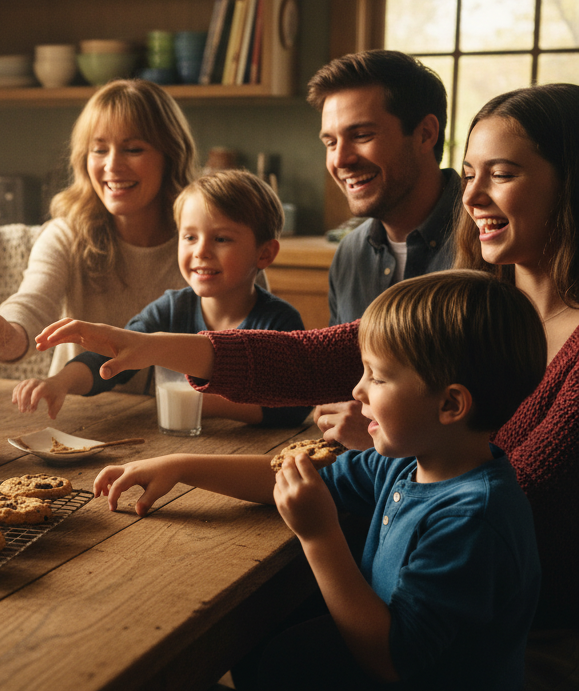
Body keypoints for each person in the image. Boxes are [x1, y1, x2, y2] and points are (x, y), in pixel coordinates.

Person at [38, 85, 579, 665]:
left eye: (501, 174)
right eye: (468, 173)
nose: (470, 196)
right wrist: (150, 350)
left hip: (526, 650)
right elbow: (317, 358)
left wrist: (344, 496)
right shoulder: (476, 302)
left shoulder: (465, 493)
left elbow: (505, 505)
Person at [95, 271, 543, 690]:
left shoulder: (473, 518)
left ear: (450, 406)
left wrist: (319, 534)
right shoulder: (408, 464)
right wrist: (182, 465)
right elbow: (293, 475)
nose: (357, 391)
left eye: (378, 376)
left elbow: (393, 660)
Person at [13, 169, 308, 427]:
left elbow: (297, 405)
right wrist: (59, 383)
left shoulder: (280, 322)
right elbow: (114, 357)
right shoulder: (171, 309)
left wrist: (205, 403)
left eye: (221, 239)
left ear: (265, 253)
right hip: (171, 448)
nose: (200, 251)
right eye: (189, 237)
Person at [0, 79, 194, 382]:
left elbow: (250, 333)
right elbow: (33, 303)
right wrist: (3, 335)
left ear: (171, 157)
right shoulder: (67, 234)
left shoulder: (204, 240)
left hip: (182, 422)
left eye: (132, 149)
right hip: (81, 413)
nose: (112, 165)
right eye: (99, 149)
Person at [310, 50, 462, 441]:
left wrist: (382, 433)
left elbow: (507, 409)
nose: (340, 159)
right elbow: (339, 383)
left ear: (426, 134)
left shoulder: (489, 243)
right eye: (330, 142)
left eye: (361, 135)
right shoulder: (349, 254)